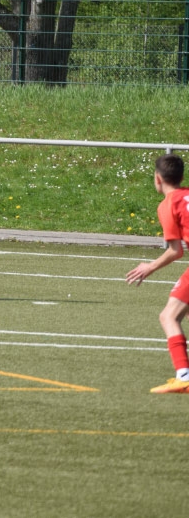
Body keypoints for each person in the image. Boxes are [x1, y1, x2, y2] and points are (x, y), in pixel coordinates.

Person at [126, 153, 189, 394]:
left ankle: (184, 376)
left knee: (168, 316)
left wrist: (149, 266)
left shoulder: (168, 204)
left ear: (158, 179)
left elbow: (175, 251)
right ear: (181, 177)